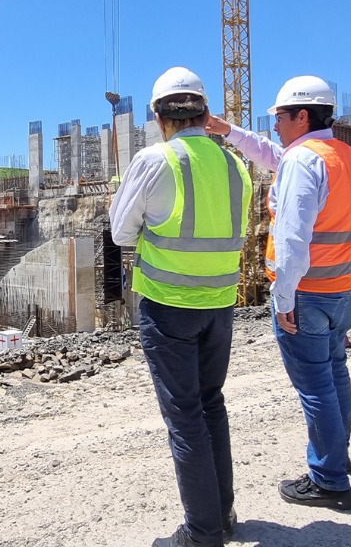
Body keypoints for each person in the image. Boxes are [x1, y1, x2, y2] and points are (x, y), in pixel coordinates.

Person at [205, 75, 351, 511]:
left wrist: (283, 298)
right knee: (334, 373)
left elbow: (293, 239)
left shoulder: (303, 162)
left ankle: (329, 479)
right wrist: (231, 132)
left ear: (301, 115)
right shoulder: (339, 154)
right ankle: (338, 456)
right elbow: (275, 157)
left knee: (315, 386)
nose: (274, 123)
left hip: (308, 292)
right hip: (345, 287)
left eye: (279, 116)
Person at [110, 66, 252, 547]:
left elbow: (120, 232)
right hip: (221, 304)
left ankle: (203, 533)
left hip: (169, 306)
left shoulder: (156, 161)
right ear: (206, 113)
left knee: (185, 417)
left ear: (158, 116)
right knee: (211, 405)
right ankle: (223, 514)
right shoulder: (236, 165)